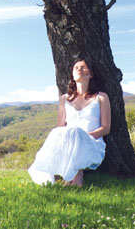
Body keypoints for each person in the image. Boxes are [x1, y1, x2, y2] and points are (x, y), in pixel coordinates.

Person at [28, 58, 111, 187]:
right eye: (76, 68)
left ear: (91, 74)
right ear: (72, 75)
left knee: (76, 132)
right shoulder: (65, 99)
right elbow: (60, 127)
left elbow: (106, 128)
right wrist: (73, 139)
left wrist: (84, 138)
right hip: (68, 143)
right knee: (62, 132)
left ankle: (77, 176)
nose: (79, 70)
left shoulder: (101, 97)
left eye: (83, 67)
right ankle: (66, 175)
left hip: (91, 142)